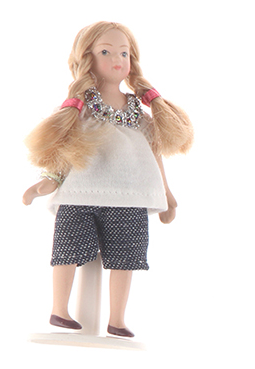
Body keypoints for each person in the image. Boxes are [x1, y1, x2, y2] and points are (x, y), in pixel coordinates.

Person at [23, 21, 193, 337]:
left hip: (130, 197)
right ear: (87, 57)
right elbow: (66, 149)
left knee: (126, 258)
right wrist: (48, 181)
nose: (117, 59)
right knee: (67, 250)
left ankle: (117, 319)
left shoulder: (138, 113)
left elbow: (155, 152)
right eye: (106, 52)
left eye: (123, 53)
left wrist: (167, 195)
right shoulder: (80, 109)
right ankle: (59, 309)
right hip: (80, 193)